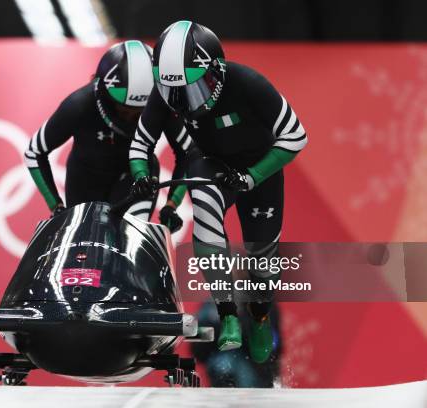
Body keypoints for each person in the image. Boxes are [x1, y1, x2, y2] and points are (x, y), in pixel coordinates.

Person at [129, 21, 307, 363]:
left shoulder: (249, 83)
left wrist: (253, 176)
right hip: (210, 162)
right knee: (206, 221)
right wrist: (140, 173)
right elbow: (141, 144)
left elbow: (296, 137)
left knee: (263, 259)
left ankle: (258, 316)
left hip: (260, 169)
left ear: (218, 71)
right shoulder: (169, 93)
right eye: (173, 93)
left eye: (194, 90)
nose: (184, 103)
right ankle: (227, 314)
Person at [25, 40, 190, 228]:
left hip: (136, 177)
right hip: (85, 180)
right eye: (125, 110)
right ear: (104, 93)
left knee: (126, 236)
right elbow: (34, 152)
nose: (131, 119)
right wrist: (56, 207)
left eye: (141, 112)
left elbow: (188, 153)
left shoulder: (163, 104)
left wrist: (171, 205)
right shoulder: (79, 105)